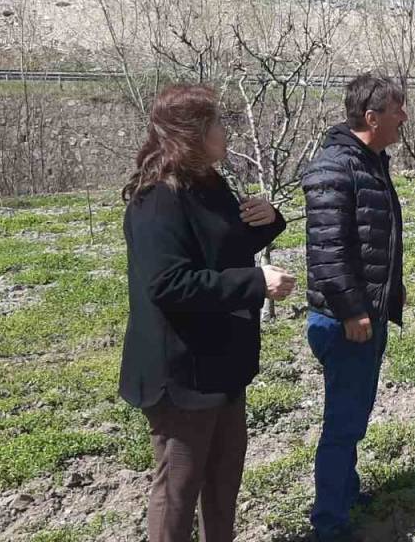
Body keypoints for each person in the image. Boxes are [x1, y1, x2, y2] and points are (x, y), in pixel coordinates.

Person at [119, 83, 295, 542]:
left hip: (221, 365)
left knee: (222, 482)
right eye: (217, 123)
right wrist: (256, 283)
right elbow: (170, 283)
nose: (224, 131)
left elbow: (219, 251)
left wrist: (268, 219)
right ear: (193, 133)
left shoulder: (207, 183)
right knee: (178, 489)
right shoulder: (156, 198)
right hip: (180, 374)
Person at [302, 72, 408, 542]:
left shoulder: (369, 162)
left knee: (355, 411)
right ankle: (329, 522)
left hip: (367, 311)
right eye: (397, 110)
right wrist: (352, 311)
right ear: (372, 117)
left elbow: (369, 240)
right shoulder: (335, 167)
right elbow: (328, 253)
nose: (403, 117)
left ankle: (344, 492)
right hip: (345, 319)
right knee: (343, 422)